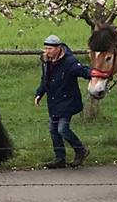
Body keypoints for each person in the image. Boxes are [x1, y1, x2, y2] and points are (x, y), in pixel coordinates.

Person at [34, 35, 92, 169]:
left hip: (67, 101)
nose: (47, 51)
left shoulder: (69, 62)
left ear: (58, 48)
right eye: (46, 48)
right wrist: (39, 93)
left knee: (62, 129)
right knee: (53, 130)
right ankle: (60, 158)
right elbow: (45, 80)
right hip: (54, 101)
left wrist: (97, 74)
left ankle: (80, 150)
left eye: (50, 48)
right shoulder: (46, 62)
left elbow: (83, 71)